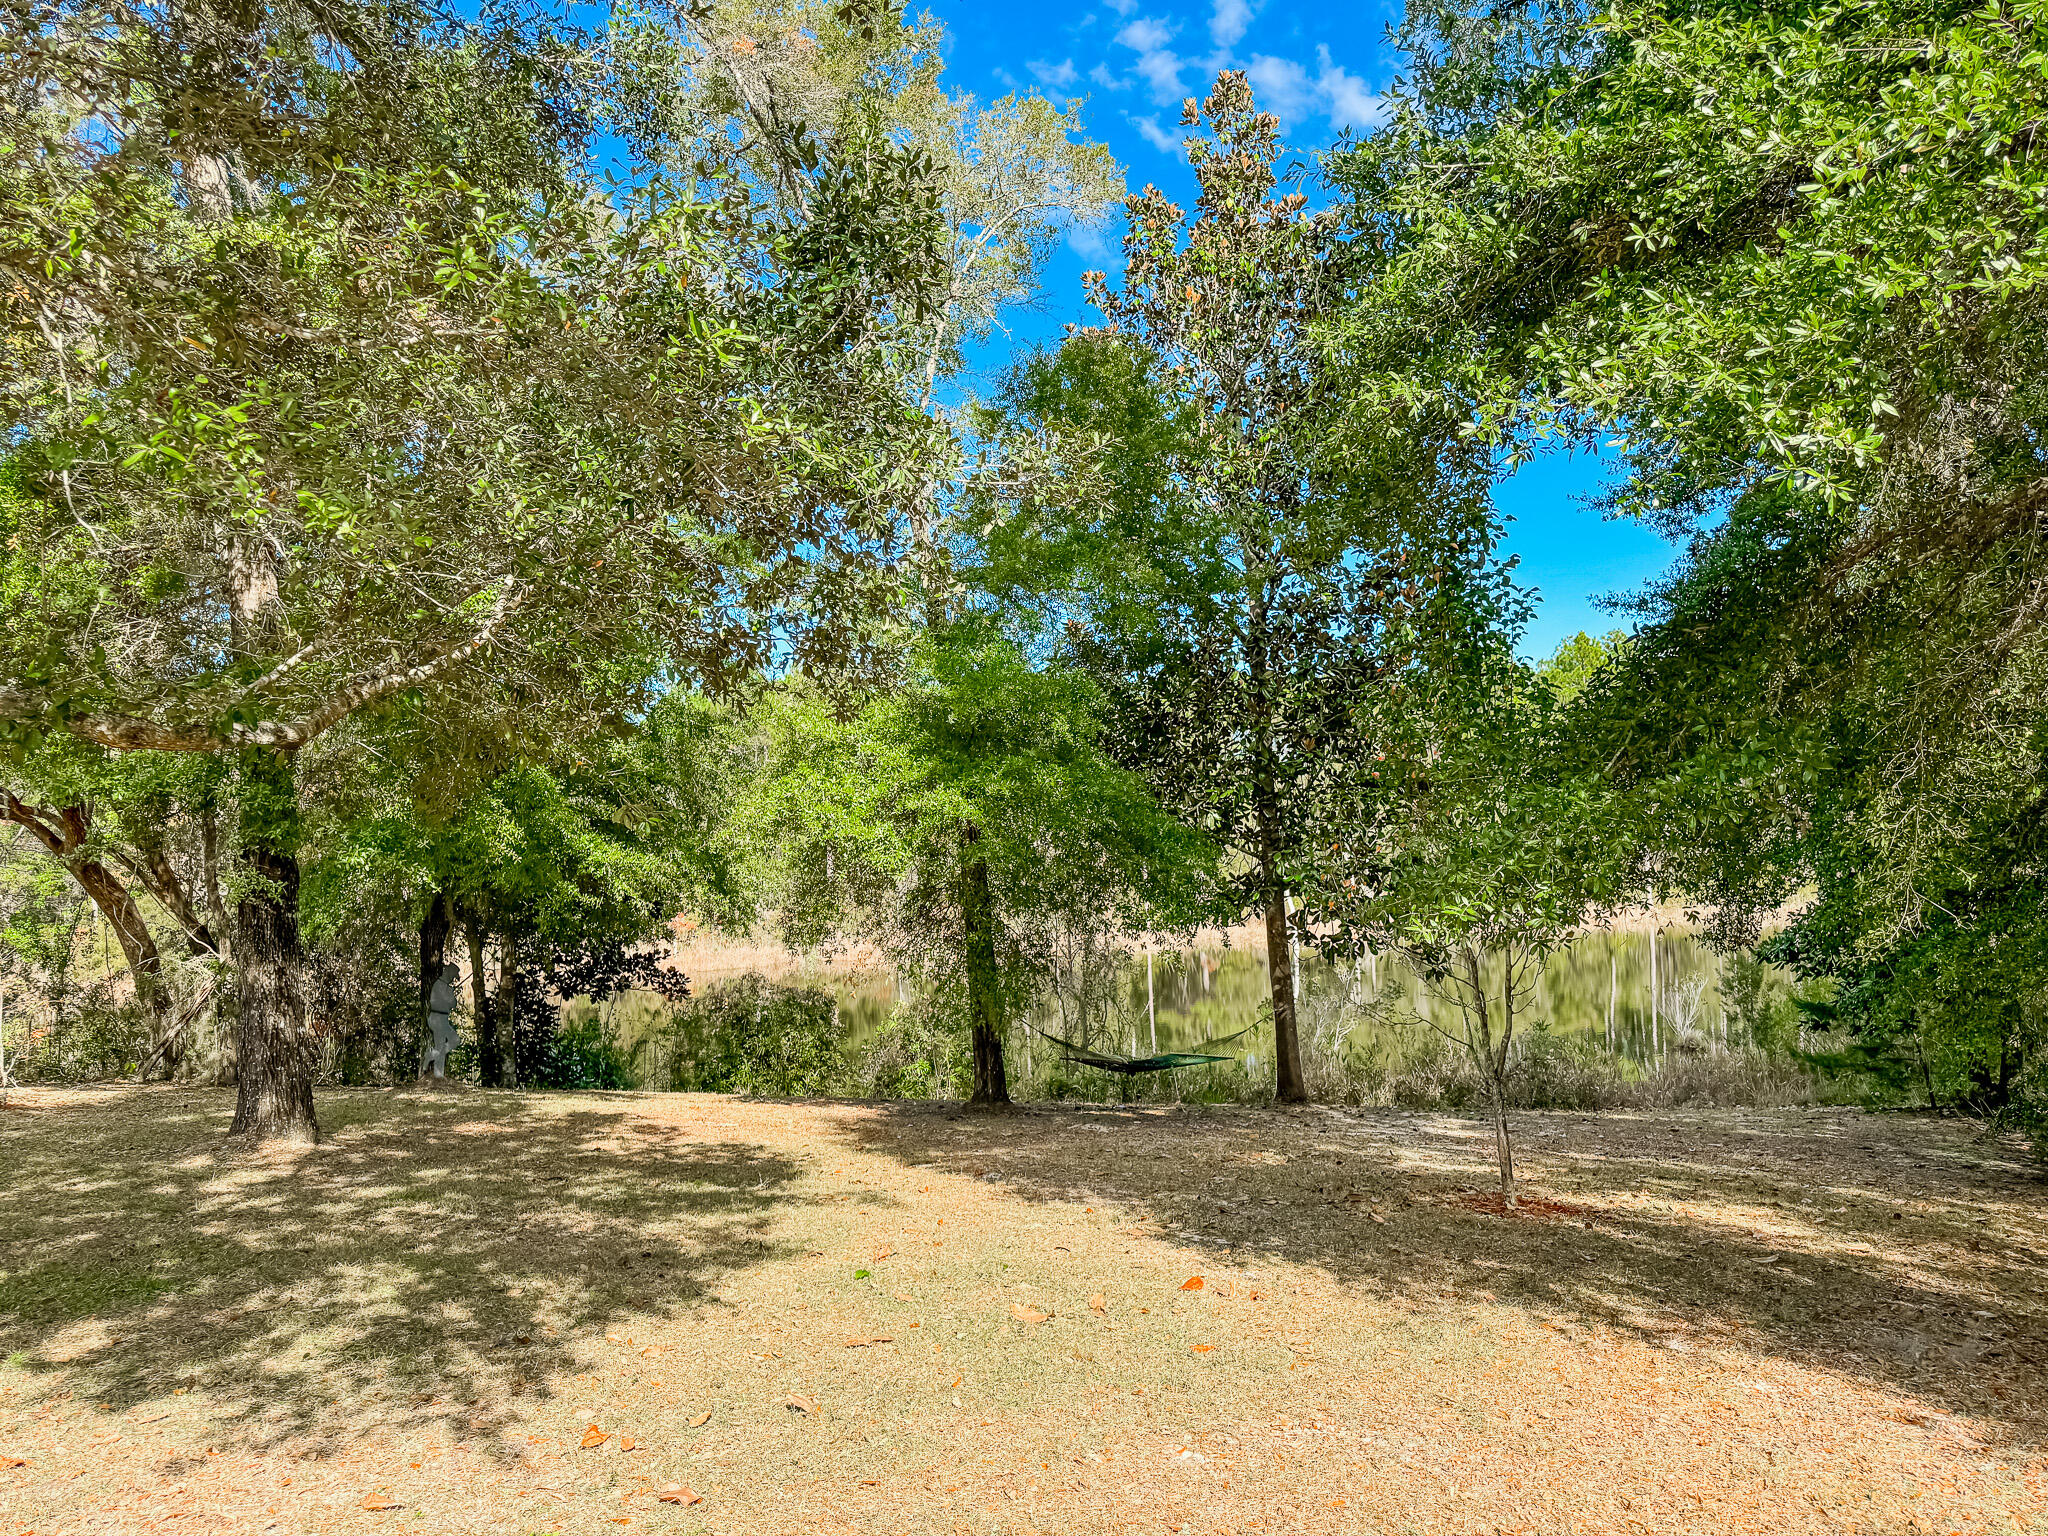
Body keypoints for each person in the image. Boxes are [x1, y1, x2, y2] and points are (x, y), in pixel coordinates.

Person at [421, 962, 461, 1080]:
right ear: (447, 973)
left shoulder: (447, 988)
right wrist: (447, 998)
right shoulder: (438, 985)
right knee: (441, 1046)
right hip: (437, 1018)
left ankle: (430, 1056)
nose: (453, 979)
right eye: (453, 976)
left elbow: (453, 1004)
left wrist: (450, 995)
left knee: (455, 1040)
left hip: (443, 1019)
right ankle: (438, 1075)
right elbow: (436, 1003)